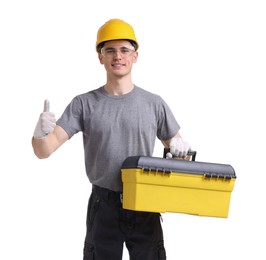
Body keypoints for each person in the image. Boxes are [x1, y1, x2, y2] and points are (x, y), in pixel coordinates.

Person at [32, 18, 190, 260]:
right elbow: (44, 150)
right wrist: (39, 133)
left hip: (145, 201)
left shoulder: (154, 103)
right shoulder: (83, 104)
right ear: (100, 57)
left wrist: (180, 151)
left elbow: (181, 155)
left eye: (125, 50)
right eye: (110, 50)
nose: (118, 56)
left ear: (135, 56)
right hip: (103, 204)